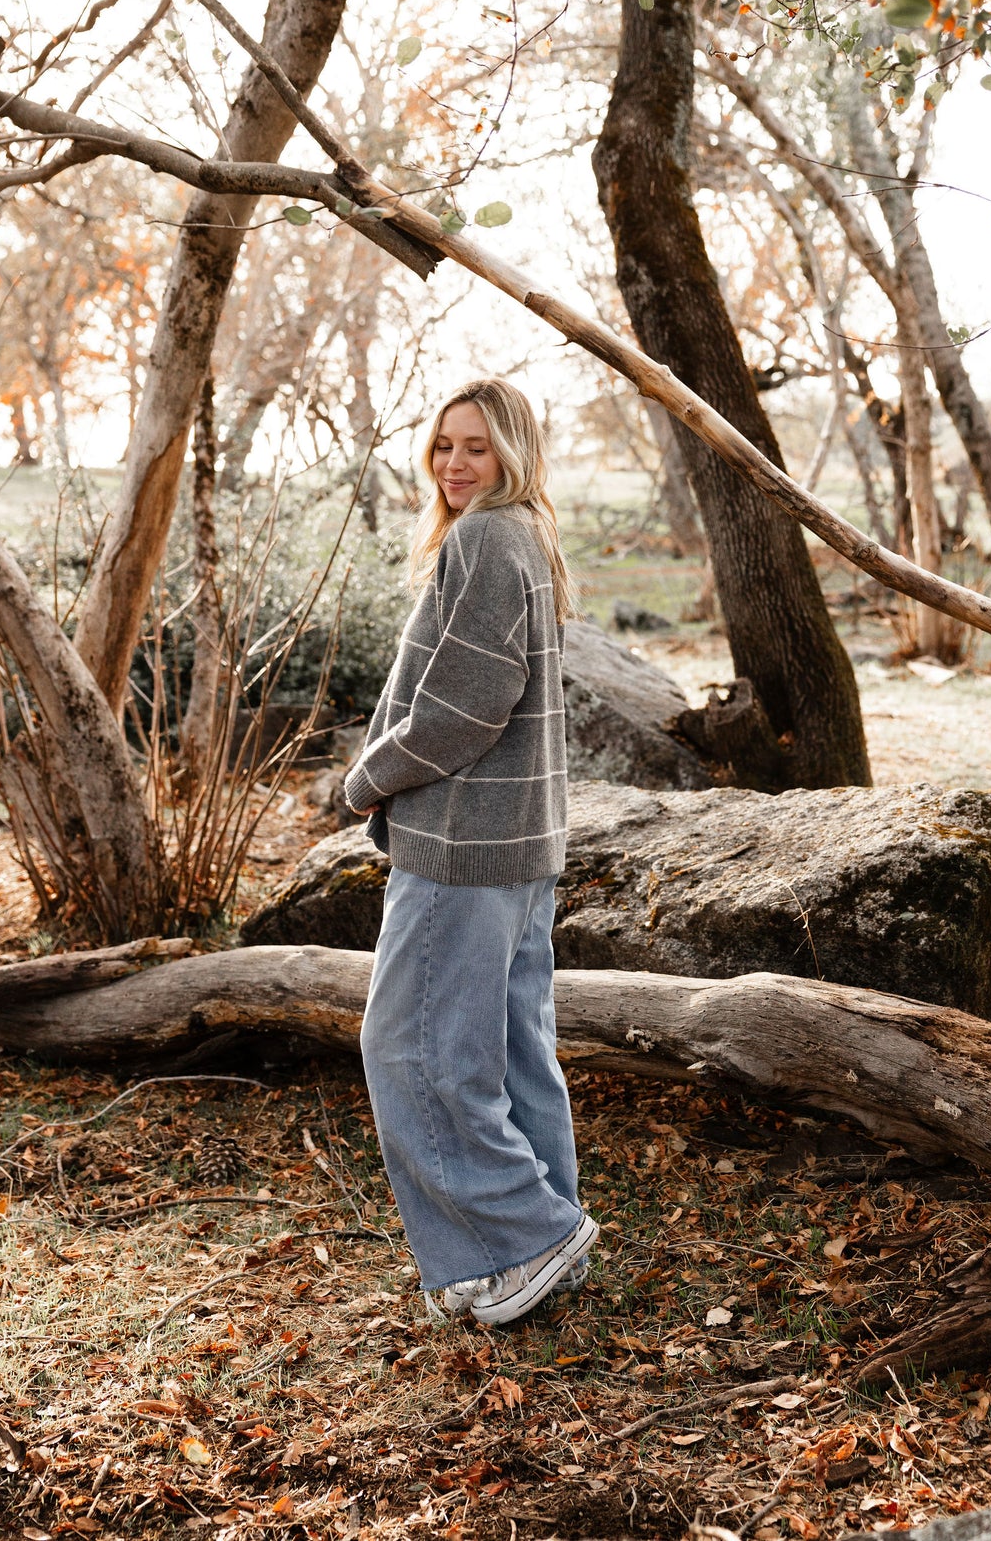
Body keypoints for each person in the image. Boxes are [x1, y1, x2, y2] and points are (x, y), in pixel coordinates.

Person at [342, 377, 597, 1325]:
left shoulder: (490, 537)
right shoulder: (522, 535)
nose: (454, 462)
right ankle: (547, 1231)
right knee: (510, 1048)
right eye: (444, 444)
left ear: (512, 454)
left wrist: (366, 777)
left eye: (476, 447)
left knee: (411, 1049)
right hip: (518, 845)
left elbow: (461, 708)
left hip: (464, 843)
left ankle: (520, 1236)